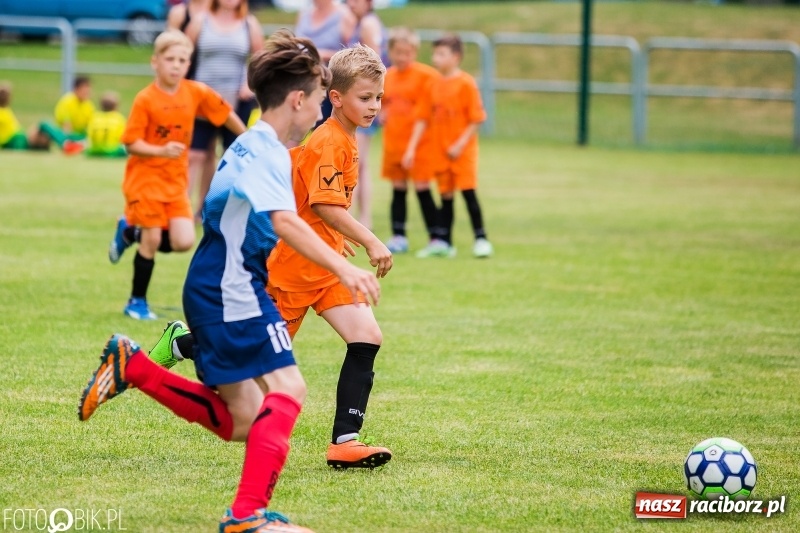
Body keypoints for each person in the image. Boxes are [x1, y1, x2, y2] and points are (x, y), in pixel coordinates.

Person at [79, 30, 382, 533]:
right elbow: (285, 222)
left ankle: (136, 367)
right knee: (288, 390)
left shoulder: (252, 144)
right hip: (233, 286)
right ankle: (246, 516)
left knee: (243, 420)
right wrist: (345, 267)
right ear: (299, 99)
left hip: (217, 282)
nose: (318, 114)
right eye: (317, 95)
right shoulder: (265, 154)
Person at [150, 45, 394, 470]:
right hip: (293, 271)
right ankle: (184, 342)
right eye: (365, 97)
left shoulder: (342, 138)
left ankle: (345, 440)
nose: (374, 106)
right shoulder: (329, 141)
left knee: (367, 336)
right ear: (334, 97)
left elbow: (312, 198)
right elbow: (323, 206)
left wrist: (341, 235)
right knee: (256, 385)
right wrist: (371, 240)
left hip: (327, 267)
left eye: (378, 98)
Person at [107, 30, 246, 320]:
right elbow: (131, 143)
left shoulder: (194, 92)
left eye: (182, 60)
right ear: (154, 62)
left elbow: (223, 112)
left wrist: (248, 137)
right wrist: (159, 151)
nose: (176, 65)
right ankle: (136, 301)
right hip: (144, 181)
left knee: (184, 240)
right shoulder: (145, 99)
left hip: (175, 182)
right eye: (169, 59)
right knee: (153, 240)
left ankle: (128, 231)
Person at [403, 34, 493, 258]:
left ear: (456, 57)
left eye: (441, 54)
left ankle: (481, 239)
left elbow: (476, 119)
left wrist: (460, 144)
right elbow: (422, 118)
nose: (435, 58)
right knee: (446, 197)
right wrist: (411, 148)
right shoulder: (432, 84)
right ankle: (445, 242)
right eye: (435, 53)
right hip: (439, 150)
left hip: (462, 152)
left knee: (468, 193)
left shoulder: (466, 83)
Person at [184, 0, 263, 220]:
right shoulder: (201, 20)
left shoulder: (249, 23)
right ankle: (181, 211)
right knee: (197, 155)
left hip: (235, 101)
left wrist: (248, 84)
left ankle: (208, 210)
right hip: (202, 99)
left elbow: (259, 58)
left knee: (229, 157)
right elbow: (184, 56)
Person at [379, 27, 444, 256]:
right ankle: (399, 236)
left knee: (422, 188)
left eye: (407, 52)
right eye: (398, 52)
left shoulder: (427, 76)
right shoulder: (386, 76)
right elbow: (381, 104)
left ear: (415, 52)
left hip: (420, 145)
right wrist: (381, 113)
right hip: (394, 142)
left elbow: (431, 109)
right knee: (398, 189)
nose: (402, 57)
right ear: (390, 51)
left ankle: (437, 237)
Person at [345, 0, 388, 230]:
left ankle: (357, 218)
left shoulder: (368, 24)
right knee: (361, 163)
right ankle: (361, 218)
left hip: (362, 102)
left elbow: (375, 64)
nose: (350, 4)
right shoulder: (361, 22)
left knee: (356, 162)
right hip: (362, 100)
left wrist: (370, 100)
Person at [295, 0, 356, 125]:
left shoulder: (344, 15)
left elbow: (352, 54)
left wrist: (322, 54)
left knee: (323, 127)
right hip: (301, 78)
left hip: (329, 83)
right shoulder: (304, 14)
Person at [38, 75, 94, 155]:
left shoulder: (89, 106)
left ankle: (73, 145)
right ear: (76, 89)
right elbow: (66, 128)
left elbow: (90, 127)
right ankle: (70, 145)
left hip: (79, 136)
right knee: (45, 124)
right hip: (64, 134)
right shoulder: (67, 102)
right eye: (84, 90)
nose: (87, 92)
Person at [166, 0, 212, 81]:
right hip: (186, 75)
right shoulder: (178, 13)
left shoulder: (222, 13)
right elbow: (168, 49)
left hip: (214, 74)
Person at [0, 81, 50, 151]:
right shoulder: (3, 111)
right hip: (14, 140)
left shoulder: (6, 110)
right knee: (43, 125)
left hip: (19, 137)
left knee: (42, 130)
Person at [85, 91, 127, 158]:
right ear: (115, 107)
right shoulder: (118, 118)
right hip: (112, 151)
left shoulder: (95, 116)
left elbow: (89, 135)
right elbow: (123, 138)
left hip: (94, 151)